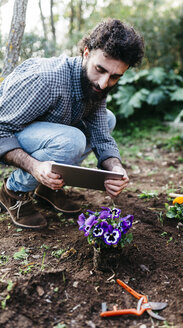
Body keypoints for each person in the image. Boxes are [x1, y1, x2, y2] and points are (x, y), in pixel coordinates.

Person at [0, 18, 144, 229]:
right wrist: (35, 167)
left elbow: (101, 135)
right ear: (86, 53)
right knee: (72, 140)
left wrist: (116, 169)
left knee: (109, 118)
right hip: (9, 134)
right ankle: (13, 192)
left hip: (39, 135)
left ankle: (47, 187)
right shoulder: (46, 80)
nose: (104, 83)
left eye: (115, 77)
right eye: (100, 69)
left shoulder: (95, 85)